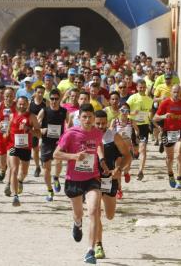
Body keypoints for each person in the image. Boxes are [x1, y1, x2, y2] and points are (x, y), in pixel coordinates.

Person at [53, 104, 109, 264]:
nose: (88, 120)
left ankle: (90, 251)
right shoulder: (71, 133)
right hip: (74, 179)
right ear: (79, 118)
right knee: (79, 214)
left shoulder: (98, 133)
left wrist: (102, 161)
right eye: (84, 117)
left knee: (94, 211)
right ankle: (77, 224)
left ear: (94, 117)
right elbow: (57, 154)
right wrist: (74, 157)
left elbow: (99, 146)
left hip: (92, 177)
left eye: (90, 117)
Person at [94, 110, 131, 259]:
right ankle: (98, 245)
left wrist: (119, 169)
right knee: (95, 213)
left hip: (109, 180)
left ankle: (107, 206)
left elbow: (127, 155)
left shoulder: (113, 136)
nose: (101, 126)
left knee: (109, 215)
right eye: (98, 123)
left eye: (103, 123)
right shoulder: (87, 136)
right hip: (92, 180)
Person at [153, 85, 181, 190]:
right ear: (171, 92)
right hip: (168, 132)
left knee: (179, 154)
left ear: (180, 93)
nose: (176, 94)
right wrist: (163, 116)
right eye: (174, 92)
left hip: (180, 131)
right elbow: (154, 118)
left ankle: (179, 180)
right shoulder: (165, 103)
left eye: (178, 92)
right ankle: (170, 174)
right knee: (169, 158)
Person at [5, 96, 41, 206]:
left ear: (27, 105)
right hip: (13, 146)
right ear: (17, 104)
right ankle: (15, 196)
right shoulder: (11, 116)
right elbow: (8, 130)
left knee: (24, 172)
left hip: (25, 148)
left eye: (24, 104)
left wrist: (29, 129)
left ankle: (20, 181)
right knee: (14, 169)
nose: (22, 106)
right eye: (20, 104)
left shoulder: (32, 117)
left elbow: (39, 134)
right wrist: (5, 134)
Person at [37, 89, 68, 201]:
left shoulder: (64, 111)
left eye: (56, 99)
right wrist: (42, 129)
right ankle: (50, 190)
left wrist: (67, 135)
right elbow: (36, 125)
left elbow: (69, 125)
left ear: (60, 99)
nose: (54, 101)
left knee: (58, 163)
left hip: (59, 142)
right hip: (46, 142)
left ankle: (56, 177)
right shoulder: (44, 111)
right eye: (52, 99)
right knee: (46, 169)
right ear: (49, 99)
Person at [127, 79, 153, 180]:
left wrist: (151, 122)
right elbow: (125, 110)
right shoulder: (132, 98)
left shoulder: (149, 99)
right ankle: (134, 154)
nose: (142, 89)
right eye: (140, 87)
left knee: (143, 149)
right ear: (137, 88)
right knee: (134, 149)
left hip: (144, 127)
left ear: (146, 87)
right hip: (132, 125)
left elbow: (150, 112)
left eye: (143, 87)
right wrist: (134, 114)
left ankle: (140, 171)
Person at [29, 86, 46, 177]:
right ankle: (37, 167)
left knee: (41, 146)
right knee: (35, 150)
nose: (40, 94)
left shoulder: (46, 103)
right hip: (33, 129)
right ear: (35, 92)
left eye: (42, 93)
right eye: (38, 92)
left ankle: (43, 158)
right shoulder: (30, 103)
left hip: (43, 128)